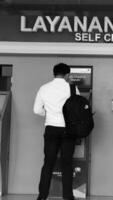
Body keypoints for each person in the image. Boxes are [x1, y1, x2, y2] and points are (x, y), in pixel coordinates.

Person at [33, 63, 77, 200]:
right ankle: (68, 196)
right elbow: (77, 109)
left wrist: (48, 113)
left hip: (51, 129)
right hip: (68, 130)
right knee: (67, 164)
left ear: (54, 73)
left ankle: (42, 196)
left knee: (48, 163)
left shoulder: (44, 88)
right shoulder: (72, 88)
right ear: (67, 75)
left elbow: (36, 110)